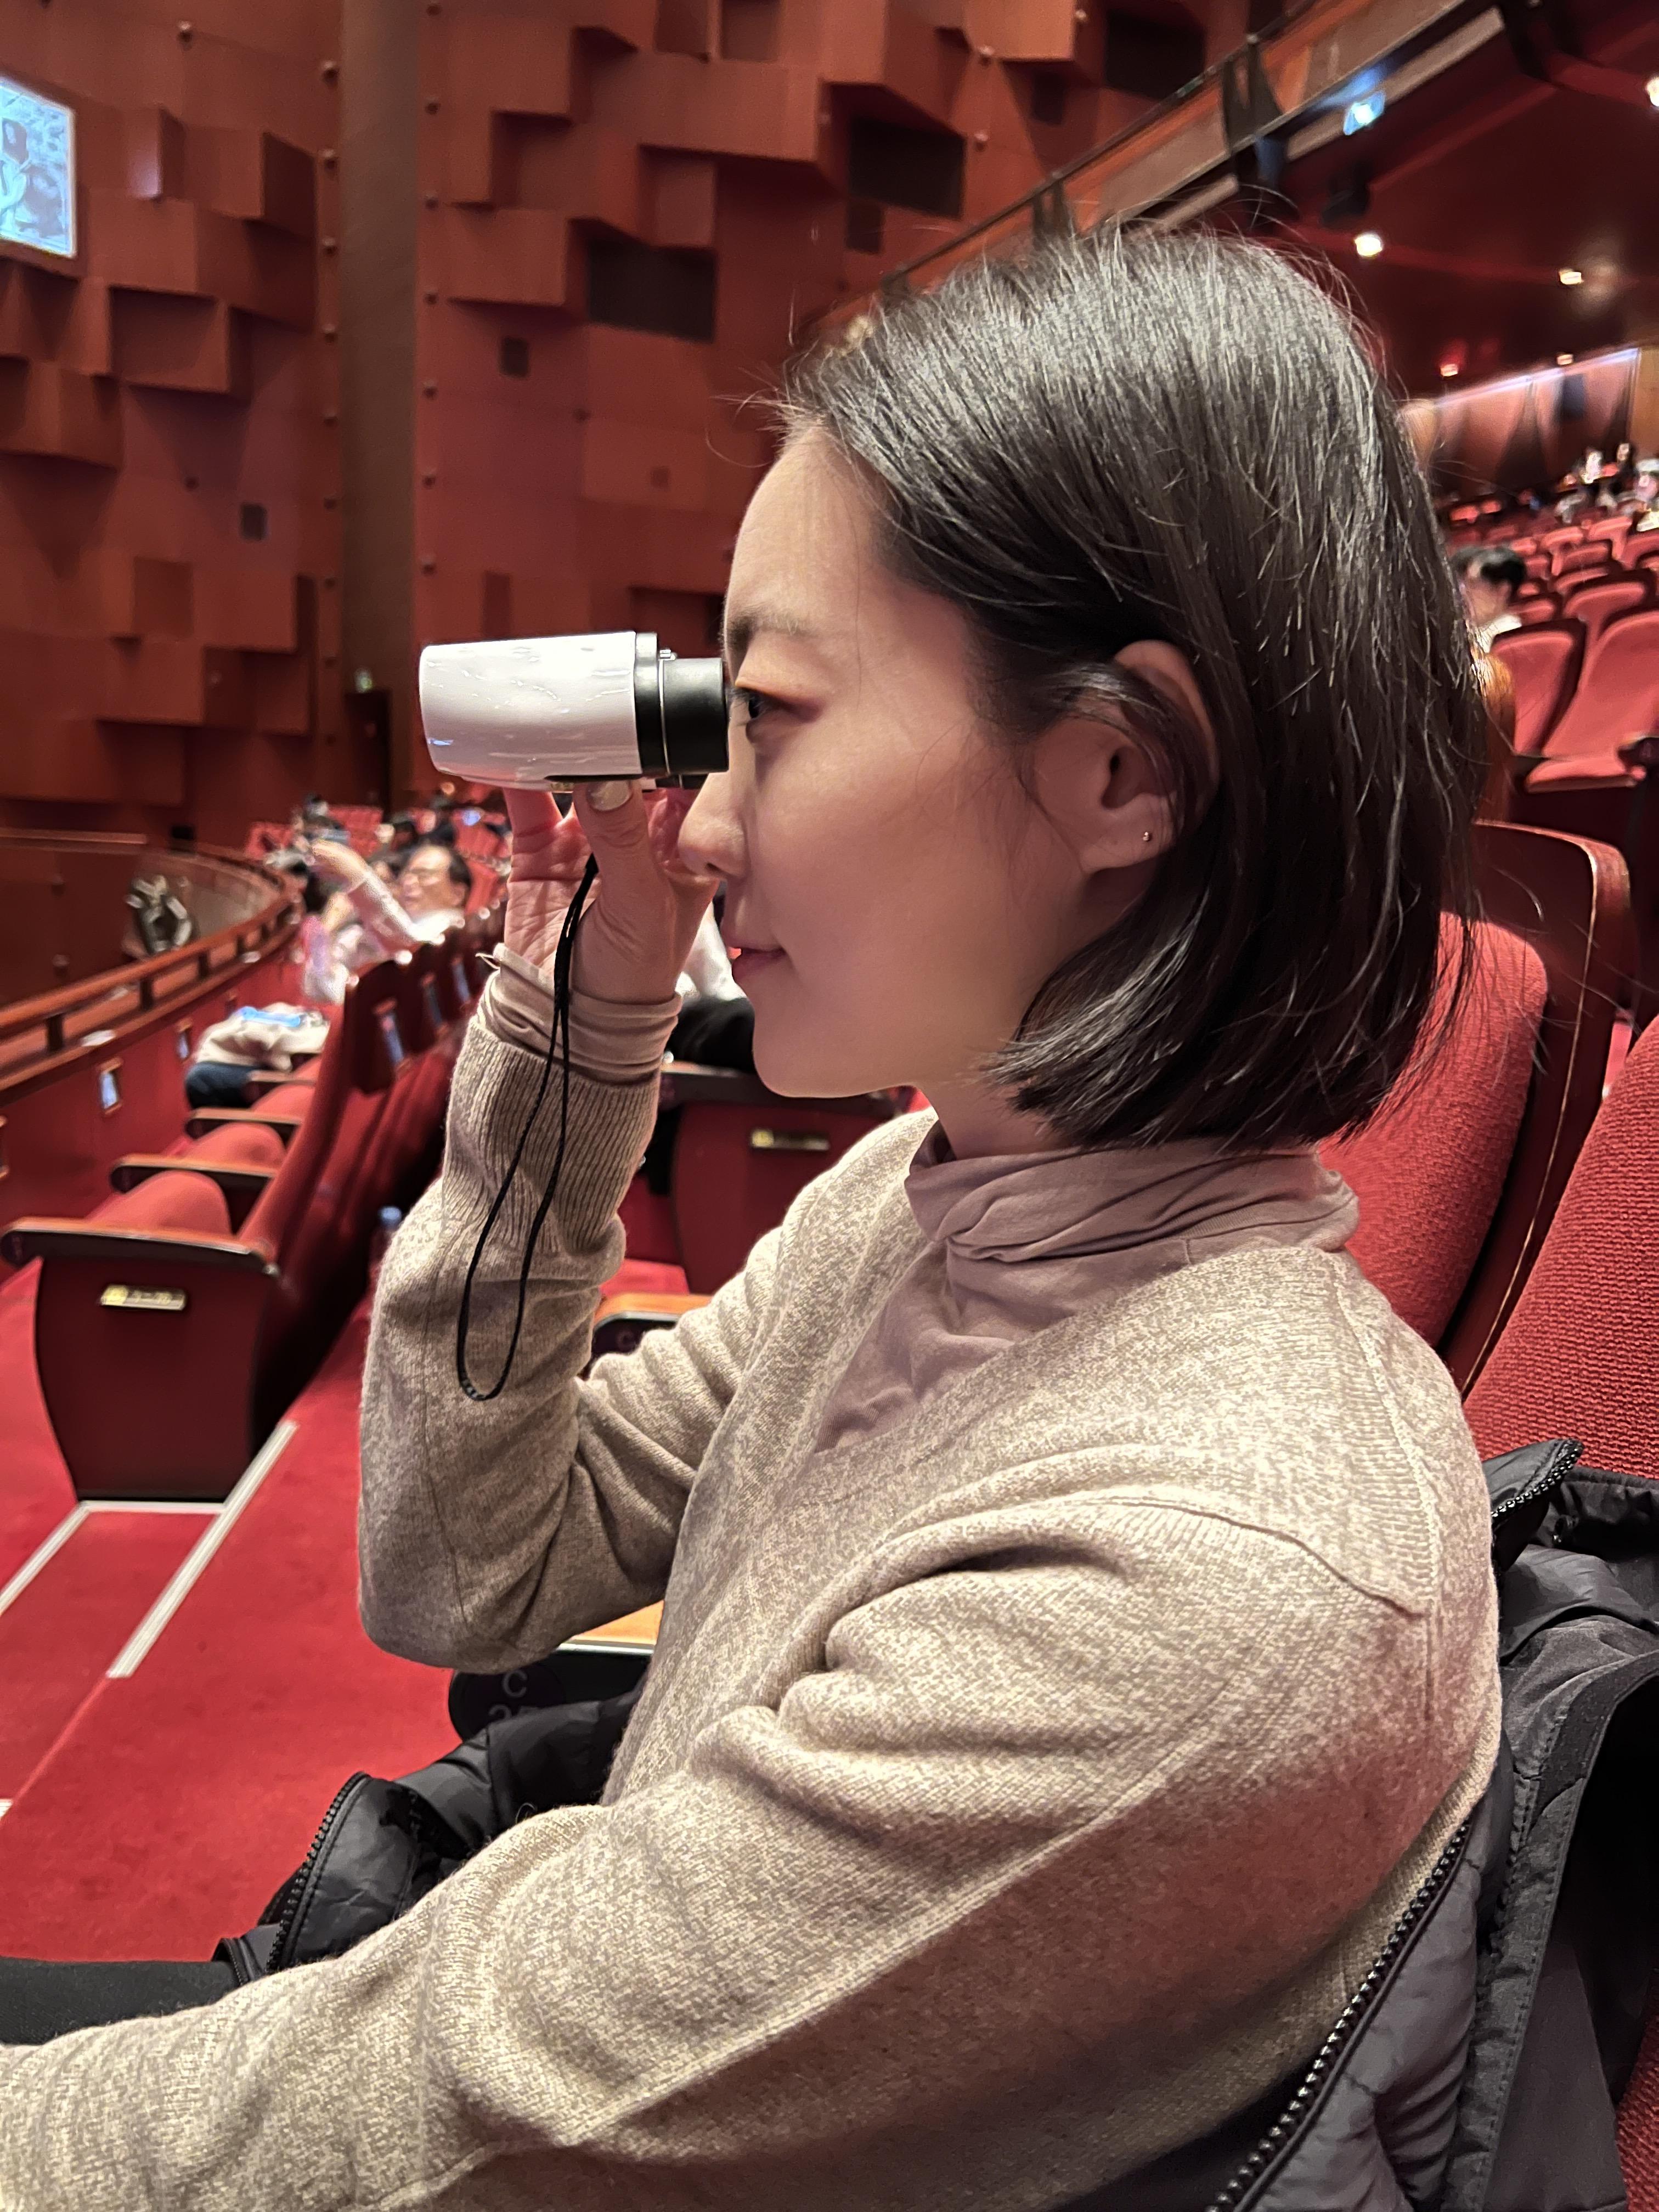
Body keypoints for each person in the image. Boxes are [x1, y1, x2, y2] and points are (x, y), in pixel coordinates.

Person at [0, 227, 1498, 2208]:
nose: (699, 824)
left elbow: (448, 2111)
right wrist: (586, 1002)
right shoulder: (914, 1194)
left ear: (1118, 770)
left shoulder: (1205, 1579)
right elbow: (460, 1567)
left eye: (767, 717)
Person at [1452, 543, 1526, 646]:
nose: (1462, 593)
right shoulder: (1464, 632)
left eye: (1473, 585)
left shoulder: (1507, 643)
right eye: (1461, 585)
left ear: (1502, 591)